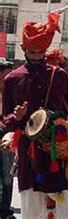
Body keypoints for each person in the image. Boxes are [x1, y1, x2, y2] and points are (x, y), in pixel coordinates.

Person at [2, 12, 68, 219]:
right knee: (33, 212)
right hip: (30, 154)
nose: (36, 57)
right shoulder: (12, 79)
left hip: (61, 149)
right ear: (23, 49)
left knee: (64, 210)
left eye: (41, 52)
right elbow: (6, 122)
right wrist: (16, 118)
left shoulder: (59, 75)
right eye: (32, 52)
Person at [0, 59, 15, 219]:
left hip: (8, 136)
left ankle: (5, 210)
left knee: (7, 176)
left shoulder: (13, 92)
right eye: (7, 74)